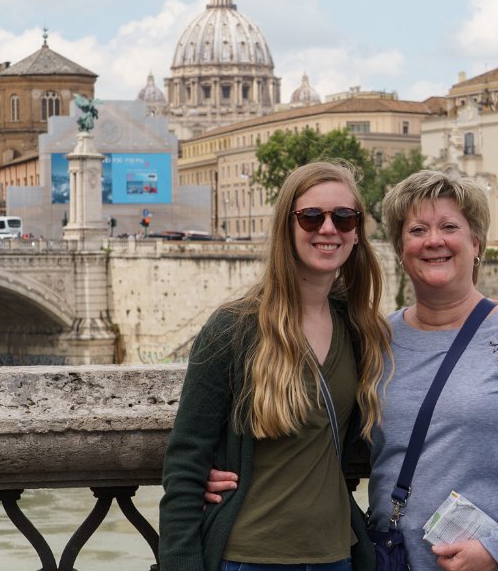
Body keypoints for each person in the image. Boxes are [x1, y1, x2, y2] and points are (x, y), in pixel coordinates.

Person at [206, 170, 498, 571]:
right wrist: (219, 471)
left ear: (476, 243)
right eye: (417, 230)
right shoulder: (373, 340)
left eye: (449, 227)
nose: (434, 240)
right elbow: (311, 426)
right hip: (398, 560)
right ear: (401, 249)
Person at [160, 161, 391, 571]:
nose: (328, 229)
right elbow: (185, 461)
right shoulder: (234, 328)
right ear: (287, 226)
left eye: (343, 217)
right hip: (248, 558)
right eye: (311, 217)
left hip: (337, 556)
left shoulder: (359, 328)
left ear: (357, 232)